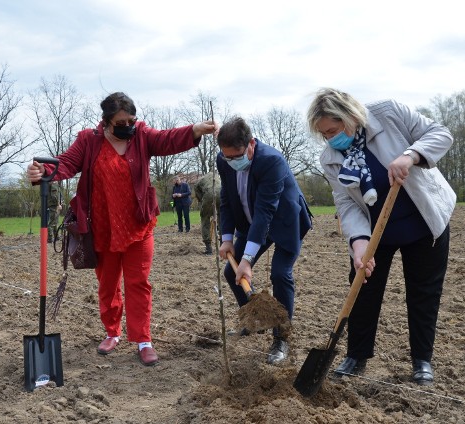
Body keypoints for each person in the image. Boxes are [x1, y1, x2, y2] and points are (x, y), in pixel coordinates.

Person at [27, 92, 216, 366]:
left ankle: (143, 339)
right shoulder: (88, 140)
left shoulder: (141, 135)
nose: (128, 125)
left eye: (131, 120)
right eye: (121, 122)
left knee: (138, 282)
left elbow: (166, 140)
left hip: (138, 226)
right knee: (107, 283)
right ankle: (112, 332)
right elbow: (66, 163)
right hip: (101, 228)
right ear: (106, 122)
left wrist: (195, 130)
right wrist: (43, 171)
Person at [307, 88, 455, 385]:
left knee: (423, 293)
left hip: (423, 222)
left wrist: (411, 155)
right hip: (376, 231)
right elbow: (346, 203)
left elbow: (441, 134)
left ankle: (421, 360)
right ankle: (356, 356)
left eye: (333, 130)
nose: (330, 139)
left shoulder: (388, 113)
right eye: (324, 135)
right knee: (362, 290)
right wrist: (358, 242)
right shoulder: (331, 158)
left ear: (350, 116)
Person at [216, 116, 312, 365]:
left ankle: (281, 338)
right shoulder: (224, 159)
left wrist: (247, 259)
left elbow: (266, 211)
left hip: (283, 221)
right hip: (251, 223)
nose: (231, 161)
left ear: (251, 144)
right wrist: (227, 238)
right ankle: (252, 320)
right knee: (231, 272)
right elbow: (226, 199)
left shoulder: (272, 161)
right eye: (227, 157)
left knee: (280, 274)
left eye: (236, 156)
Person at [194, 171, 221, 254]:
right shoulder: (217, 177)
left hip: (209, 193)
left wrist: (204, 206)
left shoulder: (200, 180)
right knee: (222, 217)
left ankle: (208, 247)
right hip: (221, 192)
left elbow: (199, 196)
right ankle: (224, 242)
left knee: (205, 217)